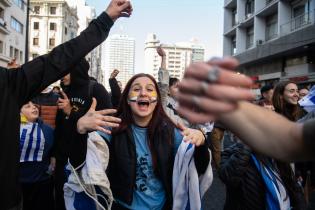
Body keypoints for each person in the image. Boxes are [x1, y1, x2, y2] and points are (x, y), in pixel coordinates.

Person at [0, 1, 132, 209]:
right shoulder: (58, 93)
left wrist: (106, 20)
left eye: (67, 71)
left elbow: (60, 57)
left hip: (77, 167)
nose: (63, 75)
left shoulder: (8, 84)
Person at [69, 73, 210, 210]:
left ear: (156, 101)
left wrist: (202, 143)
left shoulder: (170, 133)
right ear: (127, 100)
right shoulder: (111, 130)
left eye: (150, 89)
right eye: (136, 89)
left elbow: (197, 169)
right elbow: (80, 166)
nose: (143, 93)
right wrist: (80, 131)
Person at [175, 57, 315, 161]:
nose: (297, 95)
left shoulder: (302, 111)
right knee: (218, 151)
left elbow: (290, 139)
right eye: (292, 91)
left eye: (298, 91)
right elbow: (290, 138)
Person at [53, 58, 112, 210]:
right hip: (62, 161)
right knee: (62, 201)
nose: (62, 75)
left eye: (66, 71)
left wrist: (70, 111)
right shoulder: (64, 92)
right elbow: (59, 126)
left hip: (86, 163)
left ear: (76, 70)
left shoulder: (96, 90)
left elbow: (104, 127)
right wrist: (54, 155)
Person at [19, 102, 55, 210]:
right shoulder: (10, 128)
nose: (34, 107)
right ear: (19, 112)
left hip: (42, 182)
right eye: (27, 106)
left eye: (34, 105)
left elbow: (54, 149)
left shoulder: (48, 129)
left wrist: (53, 158)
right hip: (17, 184)